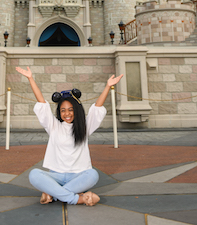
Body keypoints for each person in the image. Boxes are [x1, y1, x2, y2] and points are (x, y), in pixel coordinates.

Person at [16, 65, 123, 206]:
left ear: (76, 110)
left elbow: (96, 109)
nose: (67, 114)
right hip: (55, 176)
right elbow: (42, 103)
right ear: (59, 112)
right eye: (63, 110)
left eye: (70, 110)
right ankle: (76, 198)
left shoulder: (83, 127)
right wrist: (31, 79)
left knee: (93, 175)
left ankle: (53, 195)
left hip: (78, 176)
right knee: (34, 175)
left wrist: (108, 86)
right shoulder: (53, 126)